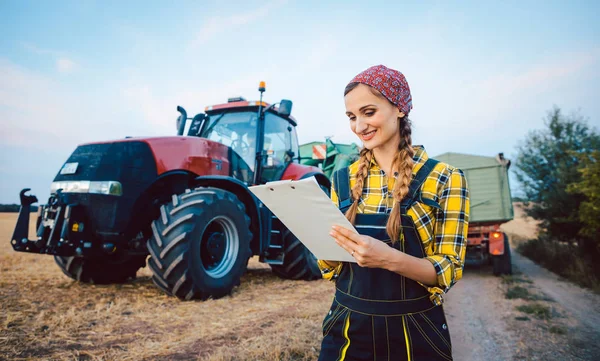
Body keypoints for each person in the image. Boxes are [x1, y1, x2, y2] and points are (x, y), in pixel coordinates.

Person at [317, 65, 469, 361]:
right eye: (352, 116)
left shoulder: (445, 178)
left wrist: (386, 258)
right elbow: (331, 267)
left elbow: (449, 268)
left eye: (369, 112)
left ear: (399, 108)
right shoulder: (343, 179)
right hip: (347, 327)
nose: (359, 127)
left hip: (416, 332)